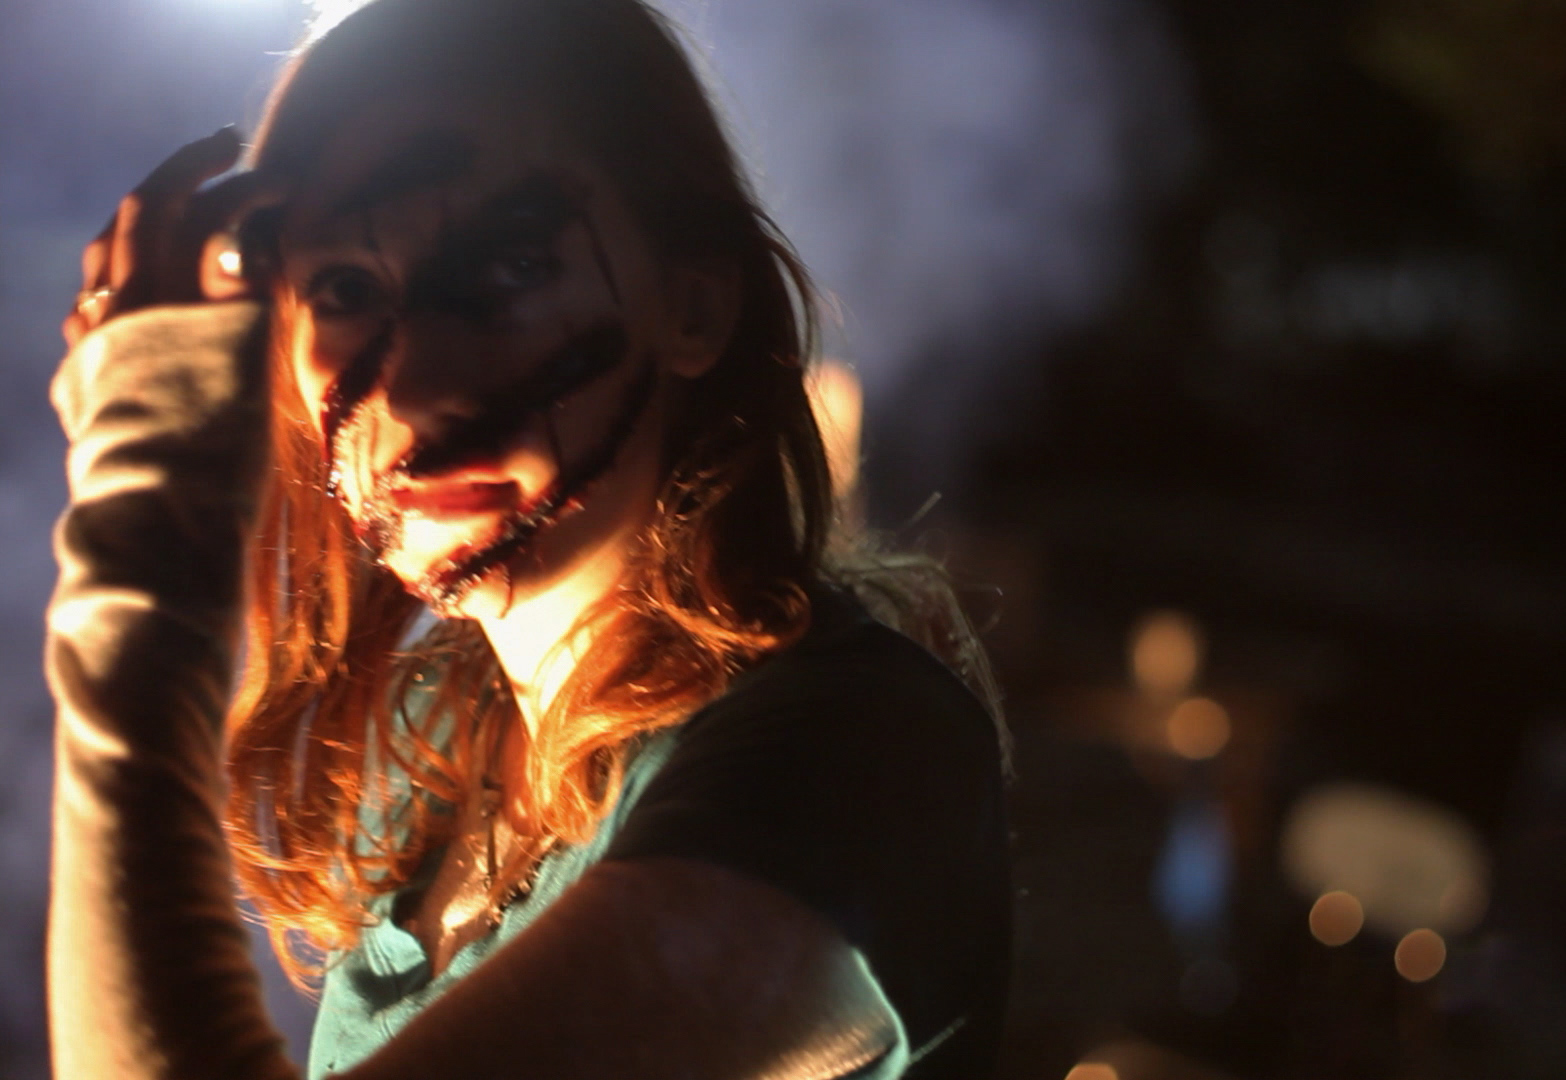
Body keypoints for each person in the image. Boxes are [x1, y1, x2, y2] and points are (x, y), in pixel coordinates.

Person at [44, 1, 1011, 1078]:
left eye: (510, 269)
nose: (415, 392)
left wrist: (142, 542)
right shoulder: (433, 742)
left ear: (694, 307)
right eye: (347, 290)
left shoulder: (853, 752)